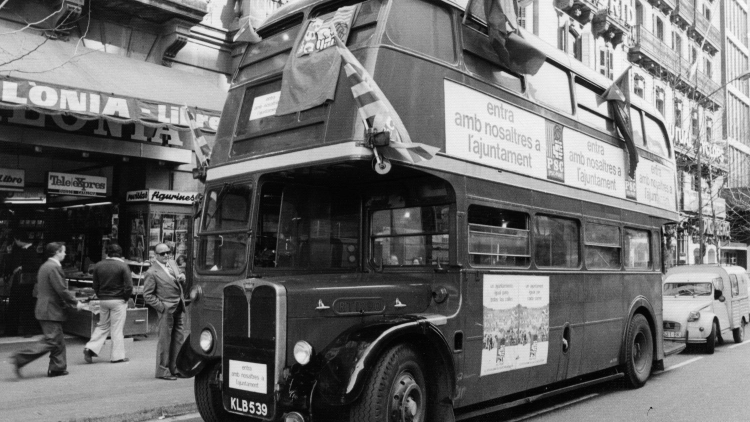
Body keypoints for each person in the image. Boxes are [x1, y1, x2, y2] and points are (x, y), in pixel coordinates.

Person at [11, 243, 84, 378]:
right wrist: (75, 303)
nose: (65, 254)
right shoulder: (54, 267)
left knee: (58, 340)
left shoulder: (45, 266)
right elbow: (61, 289)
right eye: (63, 251)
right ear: (57, 252)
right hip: (50, 309)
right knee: (52, 340)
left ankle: (57, 368)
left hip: (45, 307)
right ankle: (20, 358)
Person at [83, 244, 133, 364]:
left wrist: (101, 296)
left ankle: (90, 348)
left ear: (107, 253)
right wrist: (125, 298)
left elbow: (95, 285)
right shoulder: (123, 266)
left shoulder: (99, 265)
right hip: (118, 300)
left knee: (102, 325)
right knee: (116, 329)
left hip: (103, 299)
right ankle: (117, 356)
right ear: (120, 253)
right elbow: (129, 286)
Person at [143, 243, 186, 380]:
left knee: (178, 338)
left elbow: (177, 281)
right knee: (165, 340)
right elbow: (147, 295)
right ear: (155, 256)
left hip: (178, 305)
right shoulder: (151, 272)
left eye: (168, 252)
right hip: (166, 309)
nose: (166, 255)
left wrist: (182, 278)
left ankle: (176, 368)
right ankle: (163, 370)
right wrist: (162, 307)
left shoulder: (172, 264)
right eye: (162, 254)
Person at [5, 231, 41, 337]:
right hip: (21, 283)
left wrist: (21, 267)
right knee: (21, 306)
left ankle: (22, 330)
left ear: (19, 240)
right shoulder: (22, 250)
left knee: (24, 306)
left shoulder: (30, 251)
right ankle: (19, 330)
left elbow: (35, 266)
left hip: (25, 284)